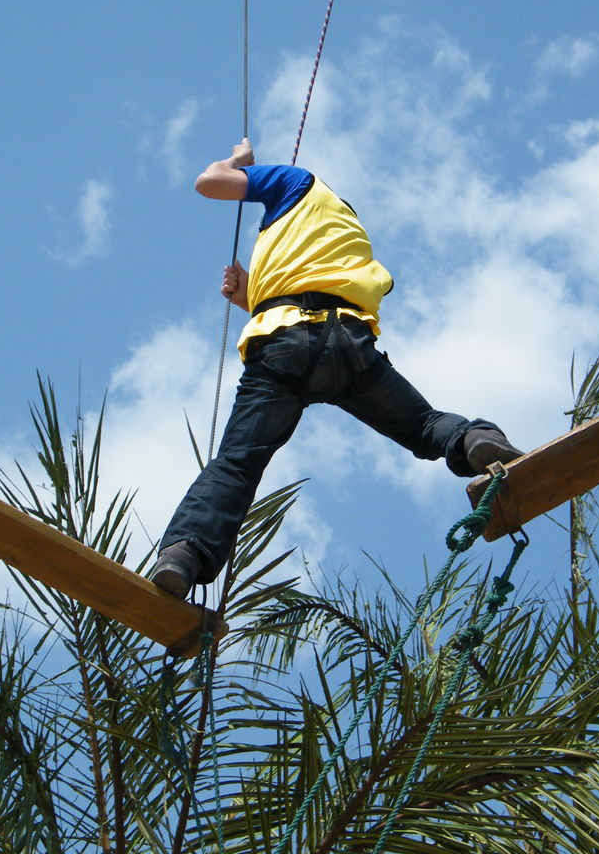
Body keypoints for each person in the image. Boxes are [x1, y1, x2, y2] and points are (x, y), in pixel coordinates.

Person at [151, 138, 522, 599]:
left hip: (282, 347)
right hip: (348, 343)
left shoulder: (293, 180)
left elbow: (209, 183)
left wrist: (237, 161)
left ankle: (182, 557)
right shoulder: (350, 236)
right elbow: (316, 294)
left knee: (237, 464)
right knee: (424, 426)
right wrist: (247, 295)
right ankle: (476, 440)